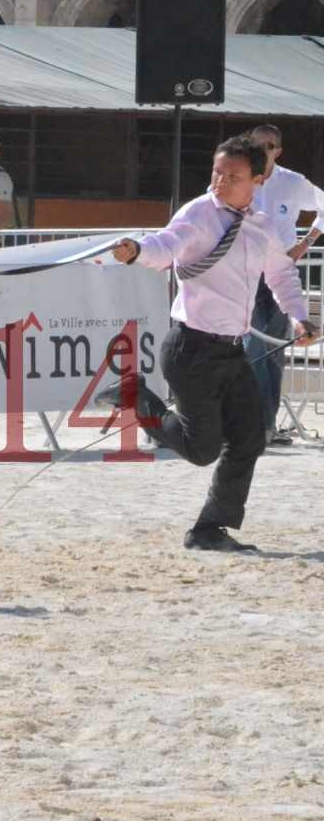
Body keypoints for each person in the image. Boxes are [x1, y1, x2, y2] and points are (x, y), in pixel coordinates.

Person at [100, 134, 319, 553]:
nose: (220, 182)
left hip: (232, 350)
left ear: (258, 179)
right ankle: (135, 397)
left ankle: (208, 529)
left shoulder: (264, 227)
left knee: (249, 438)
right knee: (201, 451)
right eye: (217, 172)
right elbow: (167, 245)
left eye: (233, 176)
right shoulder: (199, 213)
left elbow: (281, 276)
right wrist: (137, 251)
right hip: (191, 349)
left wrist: (298, 317)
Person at [243, 124, 324, 445]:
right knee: (250, 347)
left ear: (278, 150)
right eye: (258, 144)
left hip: (281, 272)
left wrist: (307, 241)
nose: (264, 149)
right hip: (245, 271)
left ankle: (266, 425)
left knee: (274, 349)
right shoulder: (238, 175)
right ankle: (252, 423)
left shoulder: (292, 182)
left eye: (270, 145)